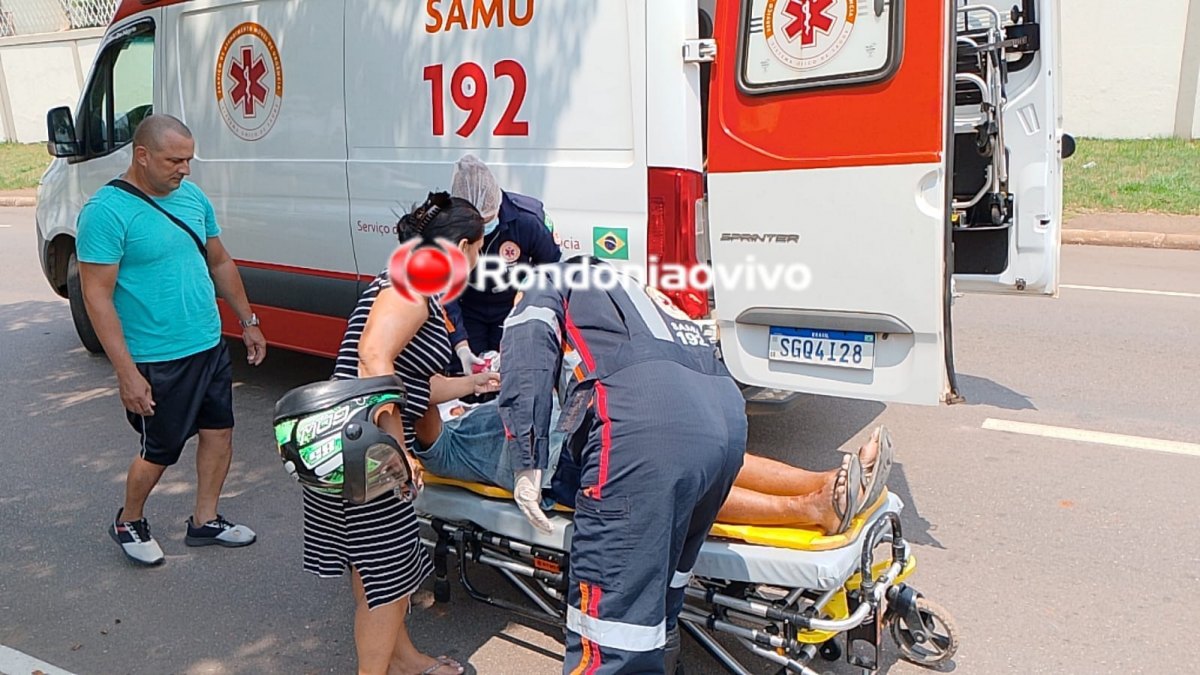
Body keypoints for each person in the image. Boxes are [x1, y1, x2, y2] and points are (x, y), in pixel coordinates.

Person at [301, 191, 499, 675]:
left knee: (374, 568)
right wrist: (396, 449)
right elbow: (374, 359)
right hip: (363, 448)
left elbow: (413, 378)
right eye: (480, 250)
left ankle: (406, 660)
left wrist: (472, 383)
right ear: (467, 246)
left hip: (348, 443)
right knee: (387, 576)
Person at [77, 114, 266, 567]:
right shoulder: (106, 213)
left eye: (188, 159)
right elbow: (97, 297)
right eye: (173, 160)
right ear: (142, 156)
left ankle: (205, 520)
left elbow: (219, 261)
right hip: (156, 357)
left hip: (207, 344)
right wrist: (127, 374)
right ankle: (130, 520)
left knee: (219, 434)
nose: (184, 169)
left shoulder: (192, 198)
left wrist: (248, 319)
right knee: (159, 451)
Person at [443, 155, 561, 374]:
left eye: (485, 223)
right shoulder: (450, 228)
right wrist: (461, 347)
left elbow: (552, 269)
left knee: (515, 373)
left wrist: (528, 292)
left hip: (513, 306)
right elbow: (444, 292)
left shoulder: (527, 219)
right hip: (469, 307)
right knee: (468, 377)